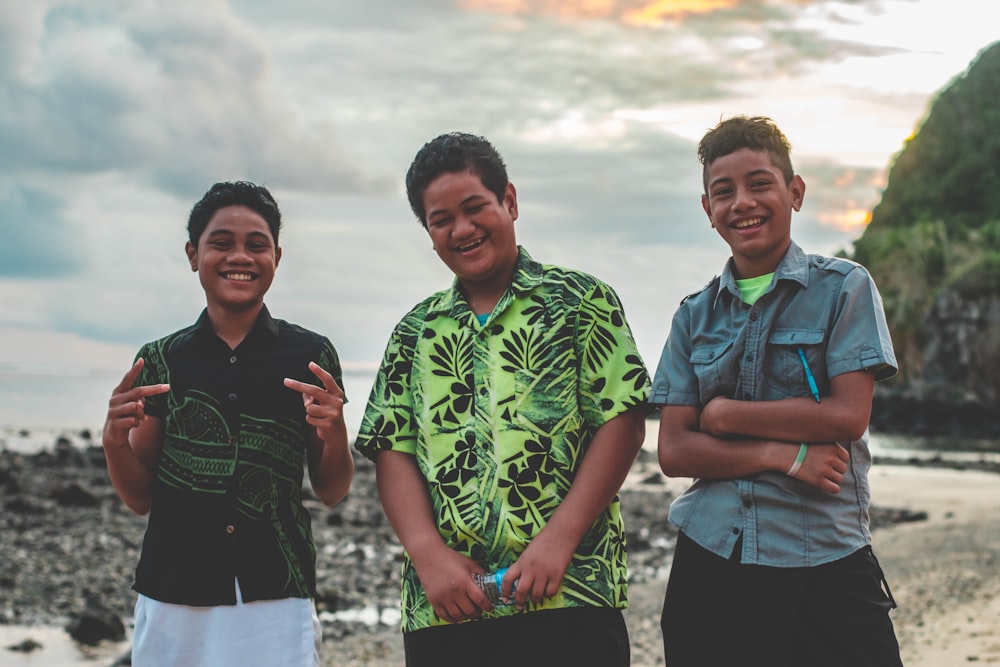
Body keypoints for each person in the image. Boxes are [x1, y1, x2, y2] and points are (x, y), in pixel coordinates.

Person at [354, 132, 650, 667]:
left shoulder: (581, 302)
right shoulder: (414, 332)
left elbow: (623, 422)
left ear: (509, 201)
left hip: (571, 595)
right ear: (428, 231)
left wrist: (558, 540)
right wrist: (428, 556)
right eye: (441, 219)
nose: (461, 229)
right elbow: (391, 449)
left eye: (474, 208)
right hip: (447, 606)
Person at [651, 115, 903, 666]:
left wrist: (722, 416)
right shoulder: (693, 316)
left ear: (795, 193)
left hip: (824, 551)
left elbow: (846, 415)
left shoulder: (845, 288)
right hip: (713, 553)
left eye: (759, 183)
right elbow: (673, 451)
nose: (743, 202)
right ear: (707, 209)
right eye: (724, 191)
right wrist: (783, 456)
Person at [100, 181, 353, 666]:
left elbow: (332, 489)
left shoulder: (311, 356)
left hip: (276, 592)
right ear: (194, 254)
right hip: (174, 589)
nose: (241, 256)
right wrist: (114, 442)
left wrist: (334, 429)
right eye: (222, 243)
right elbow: (139, 498)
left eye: (257, 244)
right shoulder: (159, 360)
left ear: (276, 256)